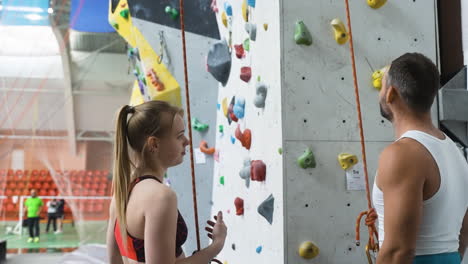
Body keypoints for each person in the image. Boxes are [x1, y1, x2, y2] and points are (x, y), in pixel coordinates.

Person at [373, 53, 468, 264]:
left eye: (381, 86)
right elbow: (463, 232)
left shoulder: (402, 154)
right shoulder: (455, 152)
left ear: (391, 94)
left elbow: (399, 251)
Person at [106, 101, 227, 264]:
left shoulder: (122, 192)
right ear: (154, 144)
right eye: (179, 136)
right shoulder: (160, 196)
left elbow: (114, 260)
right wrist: (216, 245)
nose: (187, 141)